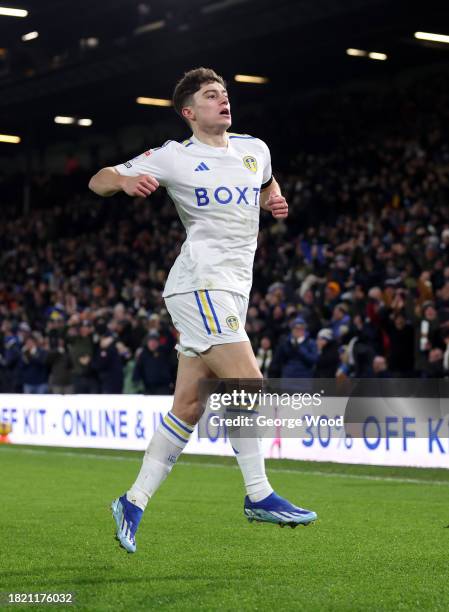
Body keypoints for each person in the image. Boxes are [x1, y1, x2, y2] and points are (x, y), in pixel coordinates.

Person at [89, 67, 317, 553]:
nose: (223, 100)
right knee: (248, 383)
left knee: (189, 408)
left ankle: (132, 501)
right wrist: (123, 185)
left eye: (225, 94)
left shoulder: (255, 150)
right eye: (211, 96)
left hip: (233, 290)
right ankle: (259, 493)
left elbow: (268, 184)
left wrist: (274, 202)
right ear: (189, 112)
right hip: (199, 286)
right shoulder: (174, 157)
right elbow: (99, 179)